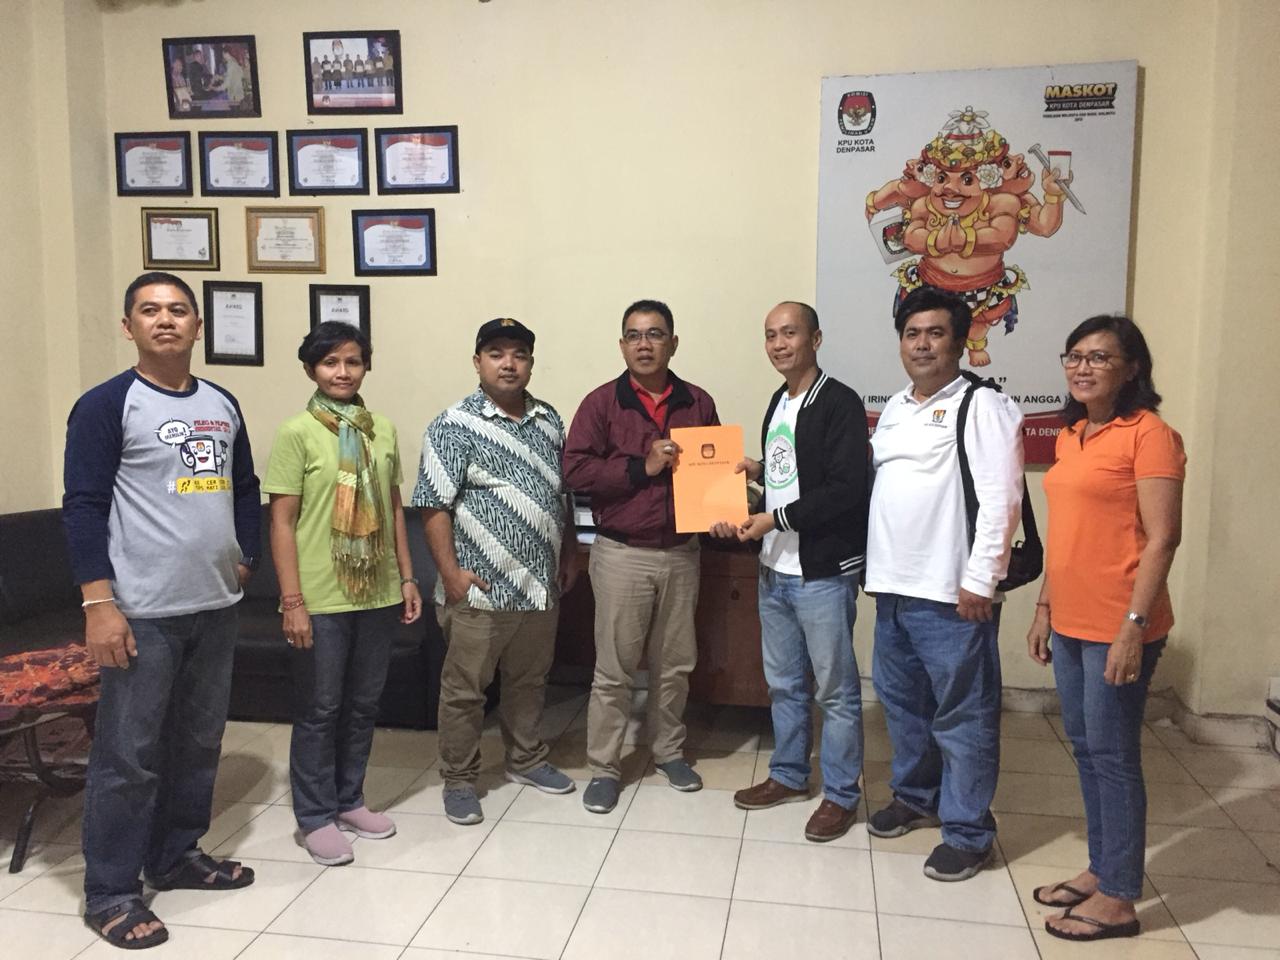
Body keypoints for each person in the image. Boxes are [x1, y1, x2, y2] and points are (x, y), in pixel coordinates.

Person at [63, 272, 261, 950]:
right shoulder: (106, 405)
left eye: (178, 310)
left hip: (215, 604)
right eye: (149, 310)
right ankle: (111, 891)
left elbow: (244, 486)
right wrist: (98, 602)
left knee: (198, 743)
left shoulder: (222, 402)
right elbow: (83, 507)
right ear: (129, 327)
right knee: (129, 756)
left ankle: (176, 855)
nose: (166, 320)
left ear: (198, 325)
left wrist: (246, 554)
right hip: (141, 610)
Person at [1027, 316, 1185, 943]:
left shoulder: (1151, 435)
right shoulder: (1072, 436)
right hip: (1069, 620)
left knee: (1115, 757)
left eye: (1099, 357)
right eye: (1074, 356)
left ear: (1132, 368)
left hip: (1120, 624)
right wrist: (1044, 608)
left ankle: (1119, 898)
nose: (1083, 367)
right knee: (1088, 748)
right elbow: (1066, 534)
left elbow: (1163, 538)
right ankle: (1101, 868)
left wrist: (1132, 629)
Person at [864, 284, 1024, 881]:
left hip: (954, 596)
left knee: (964, 717)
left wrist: (981, 580)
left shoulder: (982, 405)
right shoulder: (896, 409)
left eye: (935, 333)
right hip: (893, 590)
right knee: (904, 707)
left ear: (959, 342)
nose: (922, 344)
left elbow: (1002, 499)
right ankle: (916, 797)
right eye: (912, 334)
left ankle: (968, 831)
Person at [262, 322, 422, 866]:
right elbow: (282, 523)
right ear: (311, 369)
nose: (342, 372)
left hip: (376, 592)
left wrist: (406, 576)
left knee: (362, 705)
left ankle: (349, 800)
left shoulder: (382, 430)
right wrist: (292, 601)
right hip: (321, 595)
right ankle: (314, 816)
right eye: (330, 362)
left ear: (366, 366)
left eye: (352, 361)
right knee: (320, 708)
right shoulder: (297, 433)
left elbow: (393, 507)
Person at [714, 302, 870, 842]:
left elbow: (846, 488)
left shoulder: (840, 401)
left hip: (821, 572)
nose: (779, 344)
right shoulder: (779, 401)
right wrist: (757, 471)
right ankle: (788, 774)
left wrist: (774, 518)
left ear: (815, 339)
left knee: (836, 691)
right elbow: (794, 472)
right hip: (774, 566)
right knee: (783, 685)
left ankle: (842, 795)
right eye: (770, 336)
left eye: (789, 333)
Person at [413, 318, 577, 825]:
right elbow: (432, 504)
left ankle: (526, 759)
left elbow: (561, 496)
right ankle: (460, 780)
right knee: (465, 692)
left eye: (519, 354)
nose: (509, 364)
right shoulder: (453, 424)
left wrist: (569, 553)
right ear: (478, 361)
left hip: (539, 587)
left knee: (529, 681)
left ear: (531, 362)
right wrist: (451, 575)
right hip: (480, 590)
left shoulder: (549, 419)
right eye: (496, 353)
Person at [562, 299, 719, 814]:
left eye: (655, 334)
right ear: (622, 345)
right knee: (614, 671)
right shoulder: (601, 403)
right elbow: (575, 471)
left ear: (673, 343)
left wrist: (726, 500)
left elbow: (712, 475)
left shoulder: (698, 402)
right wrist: (640, 467)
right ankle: (605, 767)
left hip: (682, 553)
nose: (644, 344)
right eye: (634, 335)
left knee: (675, 666)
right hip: (621, 554)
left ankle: (669, 752)